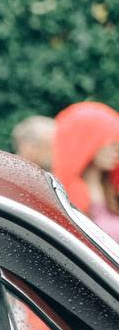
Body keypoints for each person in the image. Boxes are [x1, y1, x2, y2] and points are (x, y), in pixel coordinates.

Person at [53, 101, 119, 239]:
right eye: (112, 144)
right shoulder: (62, 194)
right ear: (88, 142)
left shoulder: (111, 187)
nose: (116, 151)